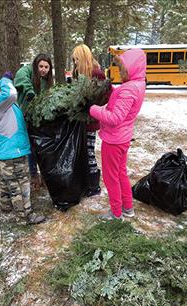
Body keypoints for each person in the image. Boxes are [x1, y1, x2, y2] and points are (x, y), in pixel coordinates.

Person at [88, 48, 146, 220]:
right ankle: (127, 207)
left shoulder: (128, 90)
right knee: (120, 173)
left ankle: (116, 213)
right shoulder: (137, 84)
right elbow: (121, 103)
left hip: (114, 140)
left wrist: (92, 109)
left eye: (123, 69)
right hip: (123, 137)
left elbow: (115, 118)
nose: (120, 72)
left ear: (133, 68)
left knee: (111, 177)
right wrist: (112, 89)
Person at [0, 72, 46, 225]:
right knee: (20, 182)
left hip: (11, 148)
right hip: (13, 149)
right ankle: (24, 215)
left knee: (9, 179)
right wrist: (5, 79)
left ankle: (5, 204)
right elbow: (12, 93)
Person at [71, 44, 109, 197]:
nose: (75, 63)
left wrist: (91, 105)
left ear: (83, 58)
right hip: (79, 120)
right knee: (83, 152)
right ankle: (86, 182)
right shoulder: (79, 73)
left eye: (76, 59)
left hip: (91, 120)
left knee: (89, 152)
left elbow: (105, 96)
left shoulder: (96, 73)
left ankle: (94, 186)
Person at [14, 54, 54, 191]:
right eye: (41, 66)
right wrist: (29, 92)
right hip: (26, 117)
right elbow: (20, 76)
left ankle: (44, 174)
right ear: (36, 65)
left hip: (40, 119)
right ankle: (33, 175)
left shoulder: (48, 82)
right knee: (31, 147)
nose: (43, 70)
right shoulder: (27, 71)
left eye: (46, 67)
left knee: (42, 146)